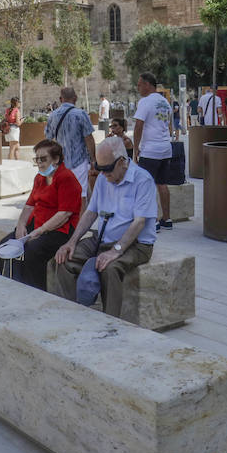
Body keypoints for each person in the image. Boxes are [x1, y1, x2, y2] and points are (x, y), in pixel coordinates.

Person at [53, 136, 156, 317]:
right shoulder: (103, 178)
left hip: (135, 244)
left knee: (110, 269)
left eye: (107, 169)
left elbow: (139, 222)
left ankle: (111, 322)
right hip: (102, 238)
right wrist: (72, 241)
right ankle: (68, 315)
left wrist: (116, 250)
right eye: (100, 168)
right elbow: (91, 212)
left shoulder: (143, 180)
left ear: (122, 162)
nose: (103, 174)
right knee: (63, 259)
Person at [0, 139, 83, 290]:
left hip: (60, 230)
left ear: (56, 159)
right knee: (6, 243)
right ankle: (4, 284)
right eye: (37, 159)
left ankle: (33, 292)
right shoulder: (40, 178)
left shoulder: (66, 178)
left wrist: (40, 231)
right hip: (38, 225)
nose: (40, 163)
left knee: (32, 250)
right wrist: (21, 225)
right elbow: (29, 205)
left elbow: (64, 214)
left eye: (44, 159)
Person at [131, 72, 173, 230]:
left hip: (150, 150)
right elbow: (169, 125)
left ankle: (153, 220)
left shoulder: (145, 102)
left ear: (148, 84)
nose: (138, 87)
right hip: (165, 148)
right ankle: (167, 219)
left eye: (139, 84)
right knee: (162, 183)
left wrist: (136, 149)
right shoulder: (165, 102)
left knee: (146, 185)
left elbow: (138, 126)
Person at [45, 87, 96, 207]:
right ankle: (80, 224)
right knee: (81, 194)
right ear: (76, 98)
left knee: (64, 193)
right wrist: (93, 159)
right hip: (79, 161)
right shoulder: (81, 114)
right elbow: (89, 138)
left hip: (60, 163)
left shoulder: (52, 116)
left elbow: (48, 139)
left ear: (60, 99)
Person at [3, 97, 22, 161]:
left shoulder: (8, 110)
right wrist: (22, 120)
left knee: (17, 148)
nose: (20, 104)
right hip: (14, 129)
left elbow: (6, 119)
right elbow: (18, 123)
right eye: (19, 102)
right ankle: (9, 164)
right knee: (12, 148)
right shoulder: (16, 110)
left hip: (9, 129)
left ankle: (18, 162)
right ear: (16, 103)